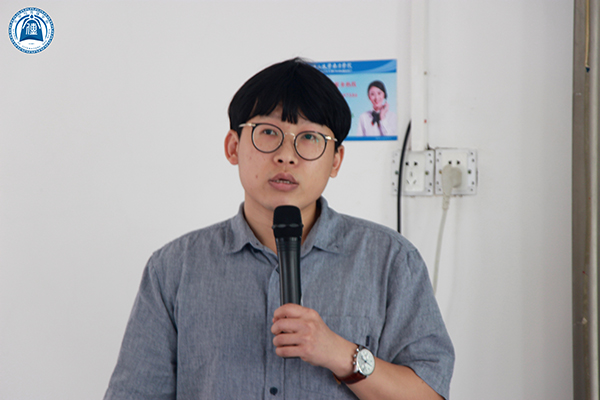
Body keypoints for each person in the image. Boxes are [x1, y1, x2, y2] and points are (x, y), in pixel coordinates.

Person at [104, 58, 454, 400]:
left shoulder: (391, 260)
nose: (287, 155)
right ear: (232, 147)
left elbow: (429, 393)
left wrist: (340, 354)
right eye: (269, 132)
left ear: (335, 161)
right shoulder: (173, 268)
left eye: (310, 137)